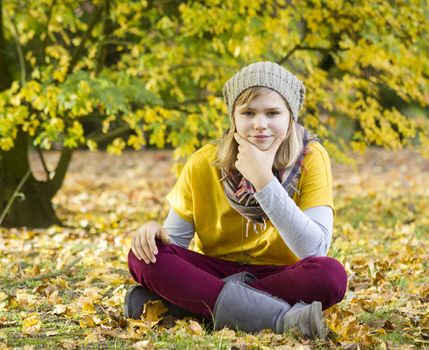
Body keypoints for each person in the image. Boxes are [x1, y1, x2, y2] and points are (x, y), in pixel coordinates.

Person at [125, 61, 347, 338]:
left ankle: (188, 308)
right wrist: (151, 232)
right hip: (212, 271)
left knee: (330, 274)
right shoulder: (204, 161)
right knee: (143, 256)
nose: (260, 124)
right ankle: (282, 319)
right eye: (248, 113)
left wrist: (264, 180)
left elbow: (314, 250)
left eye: (273, 113)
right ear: (233, 118)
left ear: (291, 117)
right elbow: (174, 245)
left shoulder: (312, 158)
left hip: (281, 274)